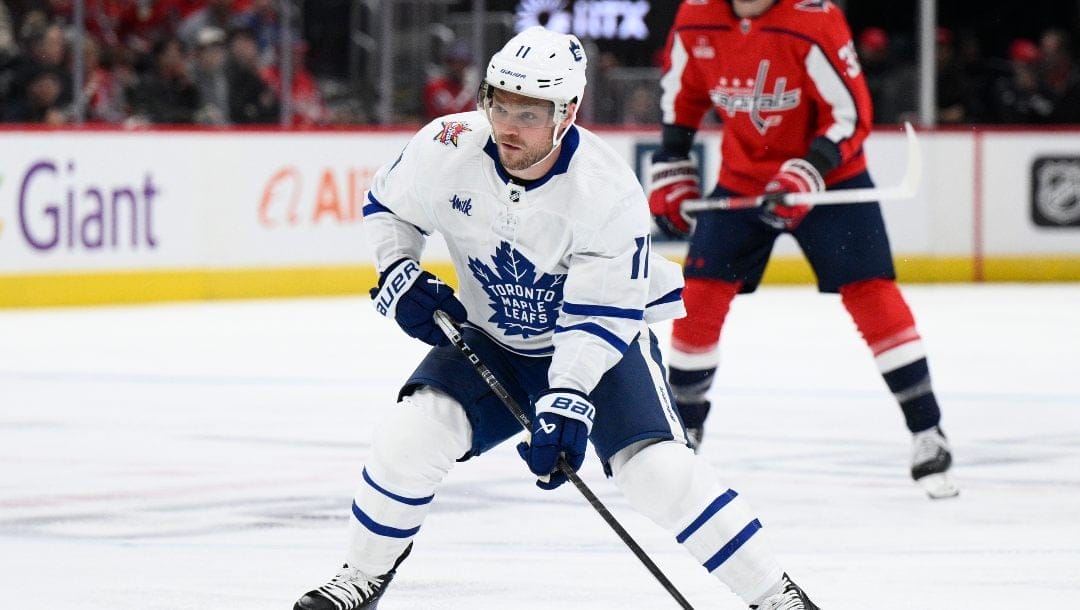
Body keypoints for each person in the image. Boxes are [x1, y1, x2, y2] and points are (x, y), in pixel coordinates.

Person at [293, 25, 820, 610]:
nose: (506, 125)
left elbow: (598, 318)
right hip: (491, 338)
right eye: (498, 102)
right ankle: (361, 576)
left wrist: (568, 399)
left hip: (600, 346)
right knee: (410, 434)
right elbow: (389, 208)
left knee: (656, 473)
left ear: (566, 113)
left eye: (528, 112)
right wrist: (399, 271)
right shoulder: (446, 146)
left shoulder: (605, 193)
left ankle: (777, 594)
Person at [646, 0, 958, 499]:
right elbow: (680, 99)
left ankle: (928, 431)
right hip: (742, 176)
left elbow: (850, 114)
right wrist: (673, 163)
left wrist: (808, 169)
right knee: (699, 296)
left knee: (870, 293)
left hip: (832, 180)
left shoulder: (814, 18)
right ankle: (683, 435)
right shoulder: (695, 16)